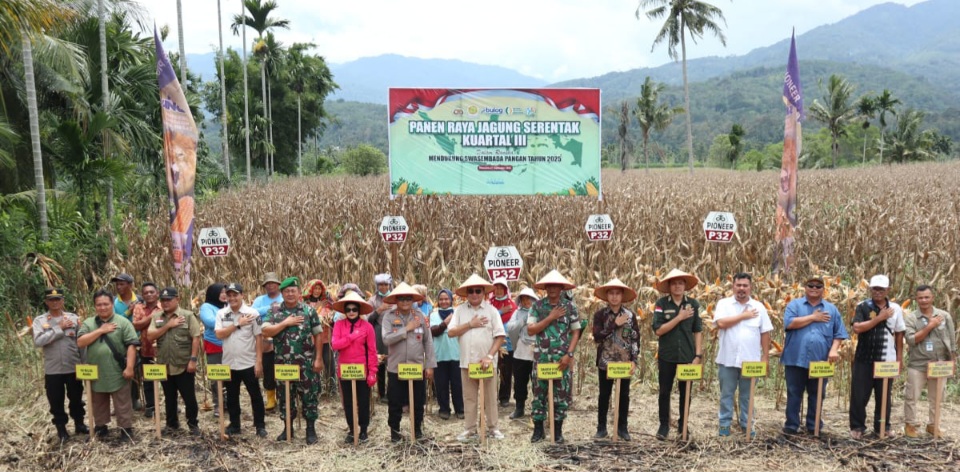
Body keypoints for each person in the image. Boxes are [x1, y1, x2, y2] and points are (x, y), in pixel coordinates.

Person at [781, 276, 848, 435]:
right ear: (805, 287)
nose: (814, 288)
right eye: (810, 285)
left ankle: (814, 425)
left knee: (817, 394)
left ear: (823, 290)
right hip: (795, 357)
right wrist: (813, 317)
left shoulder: (832, 309)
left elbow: (839, 333)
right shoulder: (795, 305)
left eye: (818, 286)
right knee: (793, 392)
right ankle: (791, 425)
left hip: (821, 360)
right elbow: (789, 323)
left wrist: (834, 350)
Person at [261, 277, 324, 444]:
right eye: (286, 291)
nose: (290, 294)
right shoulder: (274, 311)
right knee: (285, 397)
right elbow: (266, 331)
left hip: (306, 364)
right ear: (282, 293)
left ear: (298, 293)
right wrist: (285, 323)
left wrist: (318, 358)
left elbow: (318, 334)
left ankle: (310, 429)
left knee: (309, 396)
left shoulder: (308, 311)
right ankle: (287, 428)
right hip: (283, 364)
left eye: (293, 291)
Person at [448, 274, 507, 442]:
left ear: (484, 293)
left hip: (487, 364)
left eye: (478, 291)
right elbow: (451, 332)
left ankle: (493, 428)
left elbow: (500, 336)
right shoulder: (459, 310)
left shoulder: (492, 310)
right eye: (471, 291)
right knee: (469, 397)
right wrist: (469, 325)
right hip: (467, 363)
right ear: (466, 293)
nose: (474, 294)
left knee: (490, 397)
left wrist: (489, 356)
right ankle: (470, 429)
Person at [713, 273, 772, 438]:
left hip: (751, 361)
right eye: (738, 285)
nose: (741, 289)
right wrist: (743, 316)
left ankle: (747, 426)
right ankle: (724, 425)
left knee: (748, 396)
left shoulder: (759, 307)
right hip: (727, 359)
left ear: (750, 287)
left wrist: (765, 357)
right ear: (733, 286)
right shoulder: (724, 304)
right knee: (726, 394)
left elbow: (765, 332)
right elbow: (721, 323)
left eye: (745, 285)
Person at [527, 270, 581, 444]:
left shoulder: (570, 307)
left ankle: (557, 431)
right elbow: (531, 329)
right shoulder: (537, 306)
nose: (552, 288)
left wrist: (569, 354)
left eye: (555, 285)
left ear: (561, 288)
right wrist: (550, 317)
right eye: (549, 285)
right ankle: (538, 431)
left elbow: (575, 332)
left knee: (561, 395)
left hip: (561, 360)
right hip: (542, 359)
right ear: (545, 288)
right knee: (538, 395)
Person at [77, 289, 138, 441]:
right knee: (98, 402)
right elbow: (80, 342)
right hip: (96, 371)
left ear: (112, 304)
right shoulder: (88, 323)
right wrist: (100, 330)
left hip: (117, 370)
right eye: (99, 305)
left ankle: (125, 429)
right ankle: (101, 427)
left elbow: (132, 345)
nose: (103, 307)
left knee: (122, 402)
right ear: (95, 306)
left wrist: (129, 367)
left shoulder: (123, 322)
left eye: (106, 304)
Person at [849, 275, 905, 439]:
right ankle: (857, 427)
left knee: (884, 396)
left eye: (881, 289)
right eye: (875, 288)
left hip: (886, 359)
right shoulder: (862, 307)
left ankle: (882, 426)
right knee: (859, 395)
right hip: (864, 358)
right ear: (870, 289)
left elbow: (899, 335)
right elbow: (857, 328)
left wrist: (899, 360)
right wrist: (879, 318)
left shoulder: (896, 308)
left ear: (888, 290)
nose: (878, 292)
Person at [652, 269, 703, 440]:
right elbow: (658, 330)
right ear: (669, 286)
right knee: (664, 392)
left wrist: (698, 356)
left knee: (685, 392)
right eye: (674, 283)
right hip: (667, 356)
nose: (677, 286)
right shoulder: (661, 304)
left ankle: (683, 426)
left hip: (687, 357)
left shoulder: (694, 304)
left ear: (685, 286)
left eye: (680, 283)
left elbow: (697, 331)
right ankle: (663, 425)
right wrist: (679, 317)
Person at [382, 282, 436, 442]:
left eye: (408, 298)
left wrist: (430, 365)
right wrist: (406, 329)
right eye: (401, 299)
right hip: (395, 368)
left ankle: (417, 429)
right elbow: (386, 339)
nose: (405, 302)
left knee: (418, 401)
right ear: (396, 300)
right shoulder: (388, 317)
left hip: (416, 367)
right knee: (395, 402)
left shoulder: (420, 316)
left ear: (412, 299)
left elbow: (428, 342)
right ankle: (395, 432)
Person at [32, 288, 87, 441]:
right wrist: (59, 328)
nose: (55, 302)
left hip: (73, 367)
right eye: (51, 299)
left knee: (76, 398)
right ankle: (62, 430)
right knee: (56, 400)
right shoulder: (40, 321)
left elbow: (81, 343)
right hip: (53, 369)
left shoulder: (74, 318)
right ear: (46, 302)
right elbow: (38, 341)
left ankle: (80, 424)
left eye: (58, 299)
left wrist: (85, 364)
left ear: (63, 300)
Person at [147, 287, 203, 436]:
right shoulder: (157, 317)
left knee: (189, 396)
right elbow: (150, 336)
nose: (165, 303)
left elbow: (196, 337)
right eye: (163, 300)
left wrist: (193, 360)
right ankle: (172, 424)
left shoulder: (188, 315)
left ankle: (193, 424)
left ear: (177, 299)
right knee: (169, 397)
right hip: (165, 364)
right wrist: (168, 326)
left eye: (169, 300)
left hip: (183, 363)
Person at [903, 285, 957, 438]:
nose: (924, 300)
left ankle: (934, 425)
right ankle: (910, 425)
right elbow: (912, 340)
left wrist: (952, 359)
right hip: (918, 363)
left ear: (932, 298)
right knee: (912, 396)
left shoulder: (944, 316)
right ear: (916, 299)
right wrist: (930, 326)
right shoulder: (912, 318)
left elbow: (951, 339)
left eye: (927, 297)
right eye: (920, 297)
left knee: (937, 397)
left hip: (940, 364)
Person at [215, 283, 267, 438]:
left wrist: (259, 361)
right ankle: (235, 425)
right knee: (231, 396)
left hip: (249, 362)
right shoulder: (222, 314)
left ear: (242, 295)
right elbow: (219, 334)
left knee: (255, 395)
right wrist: (237, 324)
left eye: (235, 295)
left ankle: (260, 426)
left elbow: (259, 337)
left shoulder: (253, 313)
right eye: (229, 295)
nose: (232, 298)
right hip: (229, 363)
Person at [592, 278, 641, 441]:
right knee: (604, 395)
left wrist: (634, 360)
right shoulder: (600, 315)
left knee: (624, 395)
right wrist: (614, 323)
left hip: (624, 362)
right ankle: (601, 428)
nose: (614, 297)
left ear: (622, 296)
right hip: (605, 362)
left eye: (617, 294)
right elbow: (597, 337)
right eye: (611, 293)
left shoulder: (630, 315)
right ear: (607, 296)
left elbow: (635, 339)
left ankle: (622, 427)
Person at [330, 291, 379, 444]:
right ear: (344, 311)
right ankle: (352, 430)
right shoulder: (338, 325)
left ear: (359, 311)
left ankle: (363, 430)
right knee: (348, 402)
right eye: (348, 309)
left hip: (362, 369)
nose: (351, 312)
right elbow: (335, 345)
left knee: (363, 401)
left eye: (354, 309)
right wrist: (352, 336)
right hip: (345, 369)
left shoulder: (367, 327)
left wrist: (373, 372)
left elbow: (372, 351)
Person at [429, 288, 464, 420]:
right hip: (440, 355)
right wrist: (445, 323)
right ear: (438, 301)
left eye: (446, 299)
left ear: (451, 300)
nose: (444, 301)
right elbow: (434, 331)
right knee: (441, 385)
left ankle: (460, 409)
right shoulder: (433, 315)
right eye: (441, 299)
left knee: (457, 384)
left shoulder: (458, 314)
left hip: (456, 354)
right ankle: (444, 409)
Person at [505, 287, 538, 420]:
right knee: (519, 381)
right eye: (524, 299)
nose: (526, 301)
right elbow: (510, 327)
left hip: (536, 351)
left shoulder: (539, 312)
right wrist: (523, 321)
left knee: (537, 381)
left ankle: (538, 408)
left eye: (529, 298)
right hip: (520, 352)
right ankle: (519, 407)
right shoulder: (517, 313)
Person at [111, 273, 143, 411]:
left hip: (138, 341)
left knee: (137, 372)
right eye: (117, 284)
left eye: (122, 284)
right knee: (119, 371)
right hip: (119, 342)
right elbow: (112, 320)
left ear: (130, 285)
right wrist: (128, 313)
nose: (118, 287)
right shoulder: (112, 301)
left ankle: (135, 399)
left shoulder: (140, 300)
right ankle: (120, 403)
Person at [252, 272, 282, 411]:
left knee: (282, 367)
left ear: (278, 284)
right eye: (267, 283)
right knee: (268, 367)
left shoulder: (285, 296)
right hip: (264, 337)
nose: (270, 285)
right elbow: (253, 313)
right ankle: (271, 398)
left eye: (273, 283)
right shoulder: (259, 300)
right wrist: (272, 308)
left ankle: (284, 397)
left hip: (283, 337)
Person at [131, 283, 161, 418]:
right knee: (148, 379)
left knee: (168, 380)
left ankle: (170, 404)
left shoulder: (164, 306)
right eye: (146, 293)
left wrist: (146, 321)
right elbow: (136, 325)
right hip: (145, 349)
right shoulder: (138, 307)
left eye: (151, 292)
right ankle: (151, 406)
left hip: (163, 350)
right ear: (142, 295)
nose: (149, 294)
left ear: (157, 293)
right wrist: (152, 317)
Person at [304, 279, 336, 395]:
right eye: (315, 288)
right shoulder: (305, 304)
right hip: (312, 339)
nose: (317, 291)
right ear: (310, 290)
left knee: (329, 362)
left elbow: (332, 317)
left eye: (319, 289)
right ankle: (316, 387)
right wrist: (316, 309)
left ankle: (332, 387)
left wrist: (329, 318)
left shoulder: (327, 303)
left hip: (325, 338)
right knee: (313, 363)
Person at [199, 283, 227, 416]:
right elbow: (210, 322)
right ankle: (218, 405)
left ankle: (229, 402)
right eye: (221, 292)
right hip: (214, 344)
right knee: (217, 377)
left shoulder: (229, 306)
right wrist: (232, 320)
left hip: (231, 345)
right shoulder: (207, 307)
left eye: (225, 292)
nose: (224, 295)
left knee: (231, 376)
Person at [489, 277, 518, 409]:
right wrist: (500, 312)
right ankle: (489, 396)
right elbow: (487, 319)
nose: (499, 291)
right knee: (492, 371)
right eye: (496, 288)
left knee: (506, 371)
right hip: (491, 344)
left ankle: (504, 397)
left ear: (505, 289)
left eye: (501, 288)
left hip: (508, 344)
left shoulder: (512, 305)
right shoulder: (488, 304)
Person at [367, 273, 395, 403]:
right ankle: (382, 394)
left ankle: (392, 393)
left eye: (385, 284)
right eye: (380, 285)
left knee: (393, 363)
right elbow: (367, 320)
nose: (383, 287)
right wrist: (379, 310)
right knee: (380, 364)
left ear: (389, 285)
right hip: (377, 332)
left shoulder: (395, 298)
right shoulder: (372, 300)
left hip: (394, 333)